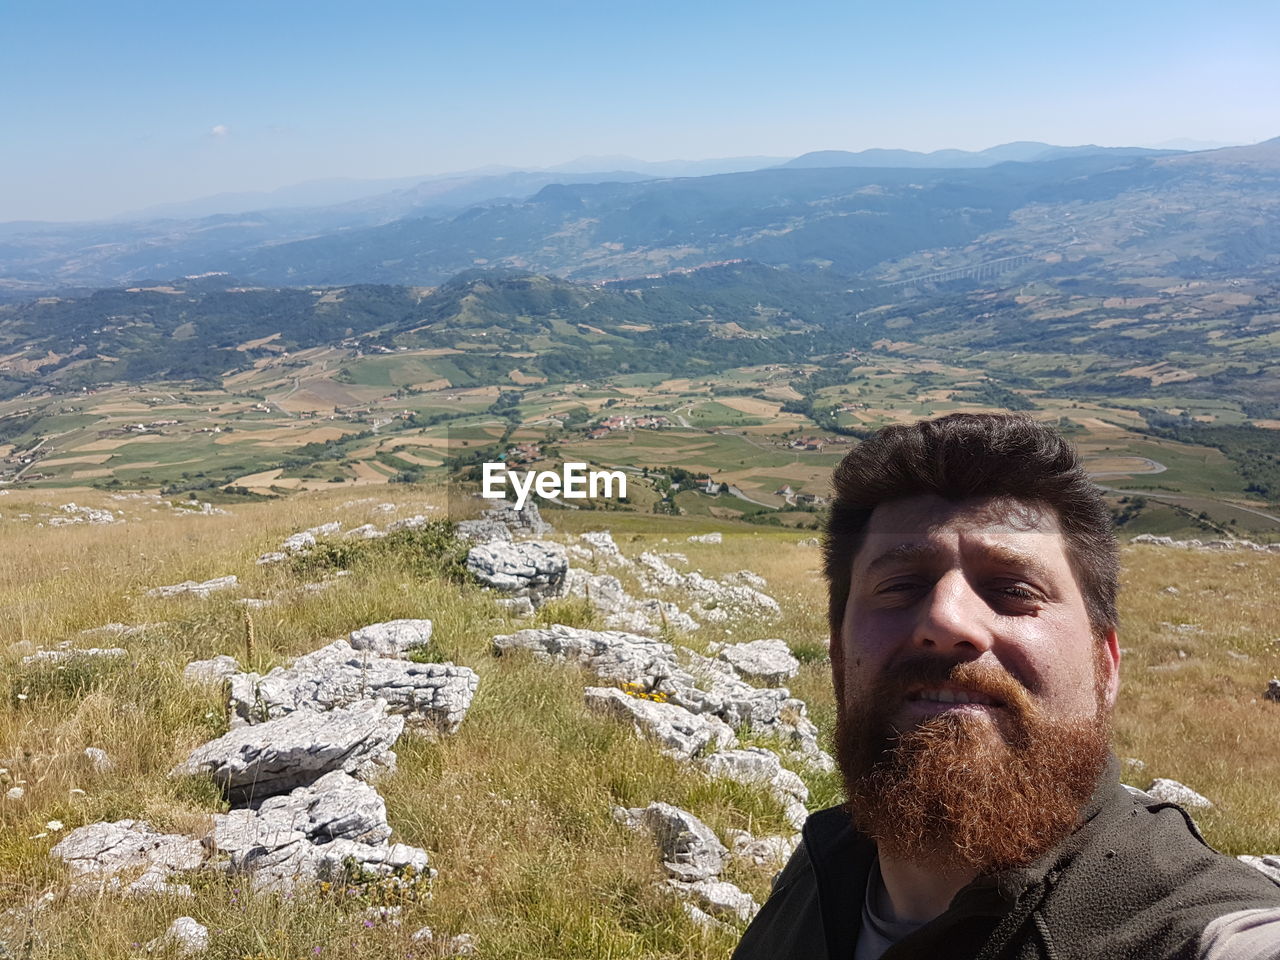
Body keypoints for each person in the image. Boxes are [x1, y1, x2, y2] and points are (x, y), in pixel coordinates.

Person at [733, 413, 1280, 960]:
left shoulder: (1194, 927)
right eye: (900, 586)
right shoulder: (825, 861)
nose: (946, 621)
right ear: (836, 657)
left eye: (1014, 589)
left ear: (1104, 667)